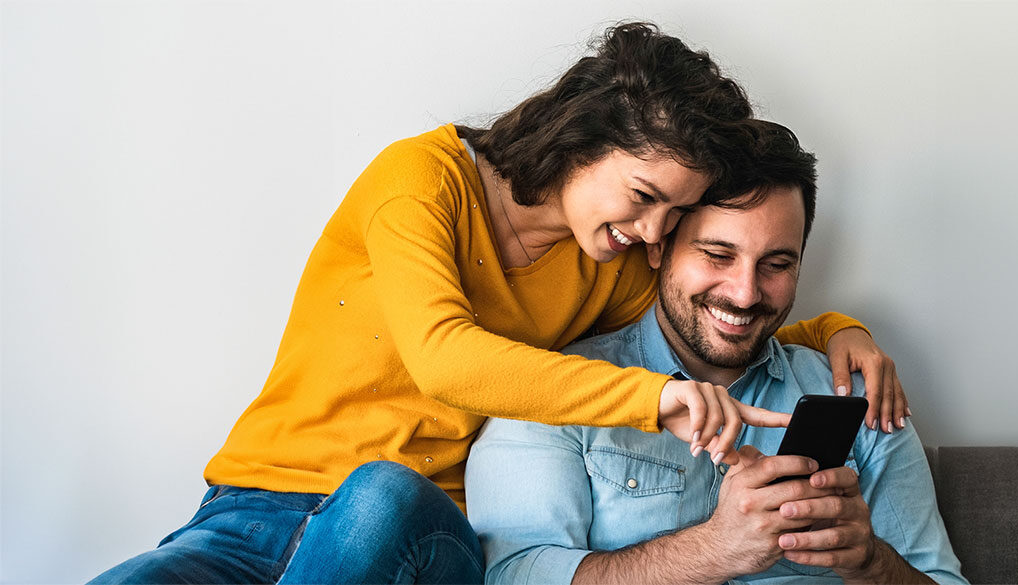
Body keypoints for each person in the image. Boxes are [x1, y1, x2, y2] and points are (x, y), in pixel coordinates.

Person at [90, 23, 909, 585]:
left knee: (380, 492)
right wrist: (654, 400)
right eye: (643, 195)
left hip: (421, 532)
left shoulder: (614, 262)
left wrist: (840, 328)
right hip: (252, 509)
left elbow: (715, 322)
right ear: (583, 141)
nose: (654, 230)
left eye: (673, 214)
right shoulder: (421, 180)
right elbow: (445, 356)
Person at [466, 121, 965, 585]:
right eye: (718, 255)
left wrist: (870, 561)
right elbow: (513, 574)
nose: (746, 294)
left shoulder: (861, 395)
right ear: (659, 248)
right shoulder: (561, 389)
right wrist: (714, 549)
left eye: (775, 263)